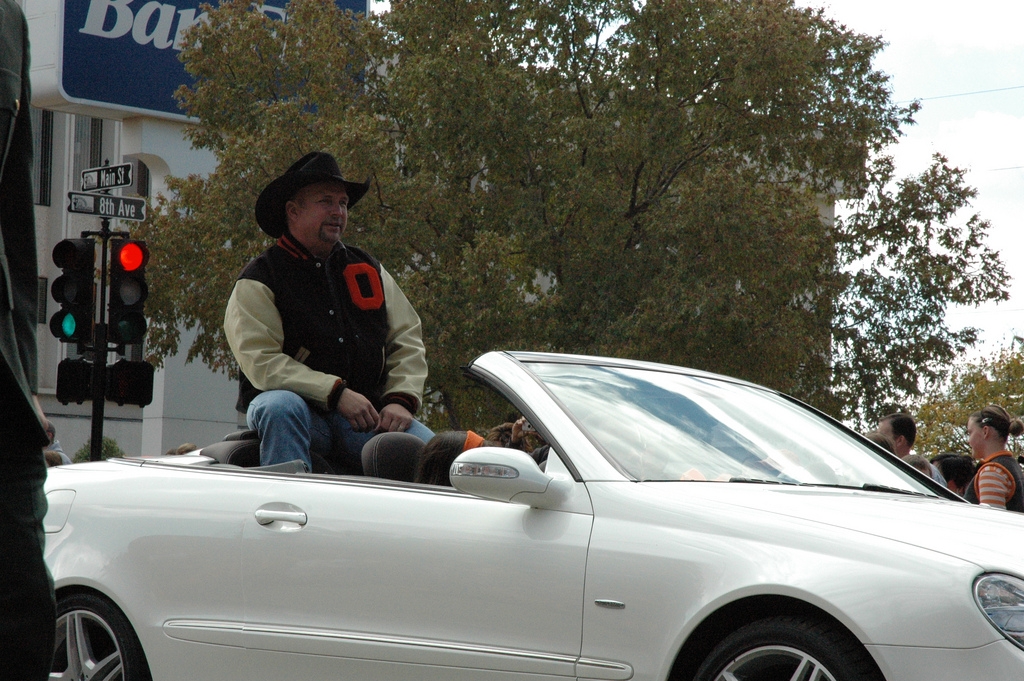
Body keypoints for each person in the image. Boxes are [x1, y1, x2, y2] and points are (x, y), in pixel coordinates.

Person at [224, 151, 433, 473]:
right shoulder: (259, 279)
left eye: (343, 203)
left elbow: (406, 337)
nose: (338, 212)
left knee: (438, 457)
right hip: (300, 417)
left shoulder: (369, 269)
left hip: (367, 418)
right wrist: (335, 393)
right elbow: (261, 361)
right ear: (293, 211)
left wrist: (401, 399)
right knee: (279, 405)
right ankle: (285, 506)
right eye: (326, 202)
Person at [0, 0, 58, 676]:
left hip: (3, 397)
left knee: (23, 602)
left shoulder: (10, 22)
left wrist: (26, 377)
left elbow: (15, 226)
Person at [963, 405, 1024, 511]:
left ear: (985, 431)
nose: (968, 440)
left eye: (970, 432)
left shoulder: (992, 472)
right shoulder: (1012, 466)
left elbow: (992, 523)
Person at [878, 412, 946, 485]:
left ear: (900, 440)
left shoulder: (929, 473)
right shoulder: (881, 468)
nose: (878, 439)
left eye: (882, 436)